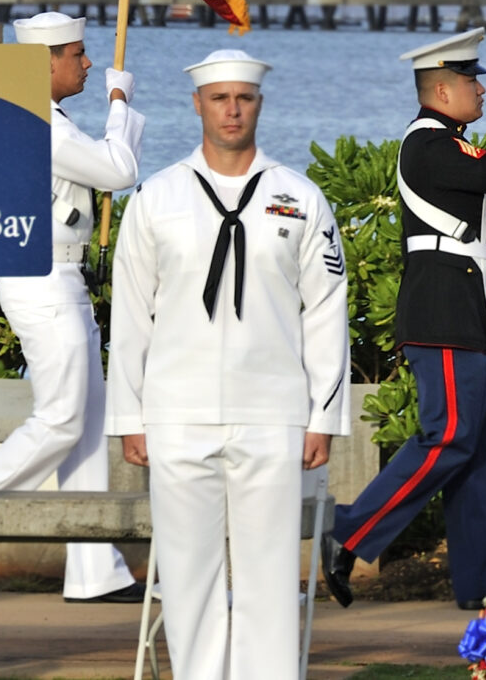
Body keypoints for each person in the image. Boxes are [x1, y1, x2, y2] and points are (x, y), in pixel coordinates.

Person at [107, 47, 349, 680]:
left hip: (273, 415)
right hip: (175, 415)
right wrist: (129, 415)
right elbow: (131, 316)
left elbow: (325, 312)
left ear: (259, 104)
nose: (232, 109)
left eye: (243, 97)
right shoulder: (156, 198)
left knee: (270, 576)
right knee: (187, 579)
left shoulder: (299, 197)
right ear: (198, 105)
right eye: (220, 98)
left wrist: (323, 414)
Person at [0, 10, 143, 602]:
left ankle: (95, 570)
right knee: (63, 418)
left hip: (59, 274)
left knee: (89, 425)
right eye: (77, 54)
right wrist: (120, 101)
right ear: (46, 62)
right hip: (42, 278)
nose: (88, 62)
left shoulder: (44, 117)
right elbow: (117, 169)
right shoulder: (38, 122)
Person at [324, 29, 486, 611]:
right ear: (442, 89)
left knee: (476, 458)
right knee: (447, 436)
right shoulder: (430, 144)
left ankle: (483, 585)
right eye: (472, 81)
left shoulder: (448, 141)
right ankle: (349, 530)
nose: (480, 89)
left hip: (462, 310)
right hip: (442, 311)